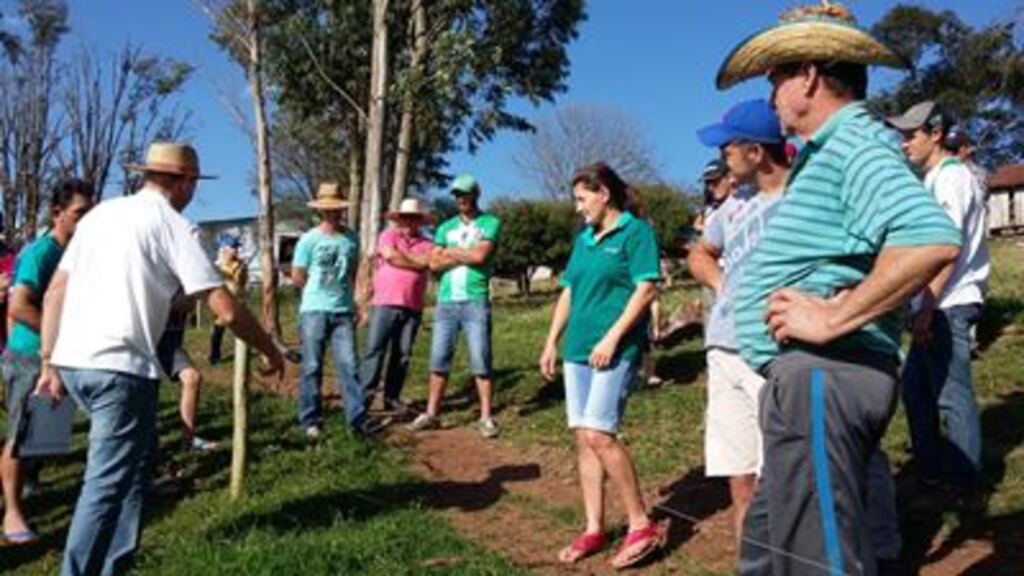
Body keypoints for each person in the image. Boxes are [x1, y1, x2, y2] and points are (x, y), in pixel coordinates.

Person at [717, 4, 963, 574]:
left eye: (776, 78)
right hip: (803, 378)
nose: (773, 93)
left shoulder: (855, 140)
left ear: (806, 75)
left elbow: (930, 238)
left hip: (826, 371)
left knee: (818, 560)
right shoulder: (827, 152)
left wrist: (834, 317)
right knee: (769, 550)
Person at [33, 142, 284, 576]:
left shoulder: (100, 217)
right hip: (119, 369)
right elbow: (223, 310)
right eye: (194, 184)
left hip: (75, 362)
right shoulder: (170, 223)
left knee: (129, 472)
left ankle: (116, 564)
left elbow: (57, 289)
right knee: (106, 482)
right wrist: (269, 349)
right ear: (184, 181)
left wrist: (49, 362)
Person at [539, 162, 664, 569]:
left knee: (599, 433)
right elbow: (569, 291)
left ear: (603, 194)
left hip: (615, 349)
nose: (578, 208)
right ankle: (594, 528)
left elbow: (646, 289)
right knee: (583, 437)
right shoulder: (585, 240)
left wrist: (613, 337)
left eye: (582, 199)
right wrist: (551, 341)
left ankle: (641, 523)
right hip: (578, 350)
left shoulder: (636, 232)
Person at [688, 99, 789, 540]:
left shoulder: (801, 196)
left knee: (780, 474)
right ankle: (752, 562)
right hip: (724, 349)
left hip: (772, 351)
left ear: (756, 151)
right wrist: (723, 286)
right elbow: (701, 252)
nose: (722, 157)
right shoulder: (733, 204)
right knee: (739, 471)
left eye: (728, 148)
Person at [888, 101, 991, 508]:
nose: (903, 143)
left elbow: (946, 251)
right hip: (932, 303)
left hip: (948, 302)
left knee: (951, 395)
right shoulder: (933, 179)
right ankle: (932, 476)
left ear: (936, 134)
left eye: (911, 134)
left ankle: (964, 486)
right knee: (915, 391)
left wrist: (927, 307)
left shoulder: (951, 179)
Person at [1, 179, 94, 546]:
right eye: (78, 214)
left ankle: (29, 486)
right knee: (20, 438)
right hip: (28, 355)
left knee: (44, 433)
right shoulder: (42, 253)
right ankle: (11, 512)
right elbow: (18, 306)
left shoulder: (78, 252)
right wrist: (57, 335)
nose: (85, 221)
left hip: (60, 355)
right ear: (58, 213)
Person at [407, 175, 502, 438]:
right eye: (457, 194)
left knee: (481, 358)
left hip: (475, 299)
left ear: (476, 194)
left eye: (466, 193)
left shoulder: (490, 222)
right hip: (446, 301)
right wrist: (464, 254)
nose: (461, 198)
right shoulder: (445, 227)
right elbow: (434, 264)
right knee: (439, 358)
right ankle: (432, 413)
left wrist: (450, 252)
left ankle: (485, 417)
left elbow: (480, 255)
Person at [293, 182, 383, 439]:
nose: (333, 213)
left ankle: (357, 419)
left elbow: (354, 273)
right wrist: (316, 290)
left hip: (343, 311)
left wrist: (358, 303)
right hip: (314, 310)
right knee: (311, 366)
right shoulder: (308, 240)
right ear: (320, 211)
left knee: (349, 365)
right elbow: (297, 275)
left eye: (337, 209)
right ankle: (310, 419)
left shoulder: (351, 238)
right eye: (328, 209)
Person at [359, 197, 434, 415]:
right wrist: (416, 262)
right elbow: (391, 256)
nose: (410, 222)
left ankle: (392, 398)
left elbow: (429, 261)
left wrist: (406, 258)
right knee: (375, 350)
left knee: (402, 354)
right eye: (406, 217)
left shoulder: (427, 243)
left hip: (413, 305)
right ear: (400, 219)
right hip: (385, 302)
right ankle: (364, 398)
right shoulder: (388, 235)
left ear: (420, 221)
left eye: (414, 218)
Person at [209, 234, 247, 365]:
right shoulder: (217, 266)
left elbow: (243, 283)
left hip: (237, 300)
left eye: (237, 247)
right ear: (224, 249)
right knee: (218, 330)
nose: (236, 250)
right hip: (221, 302)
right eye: (233, 247)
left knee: (242, 328)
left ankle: (242, 356)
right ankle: (214, 356)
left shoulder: (241, 264)